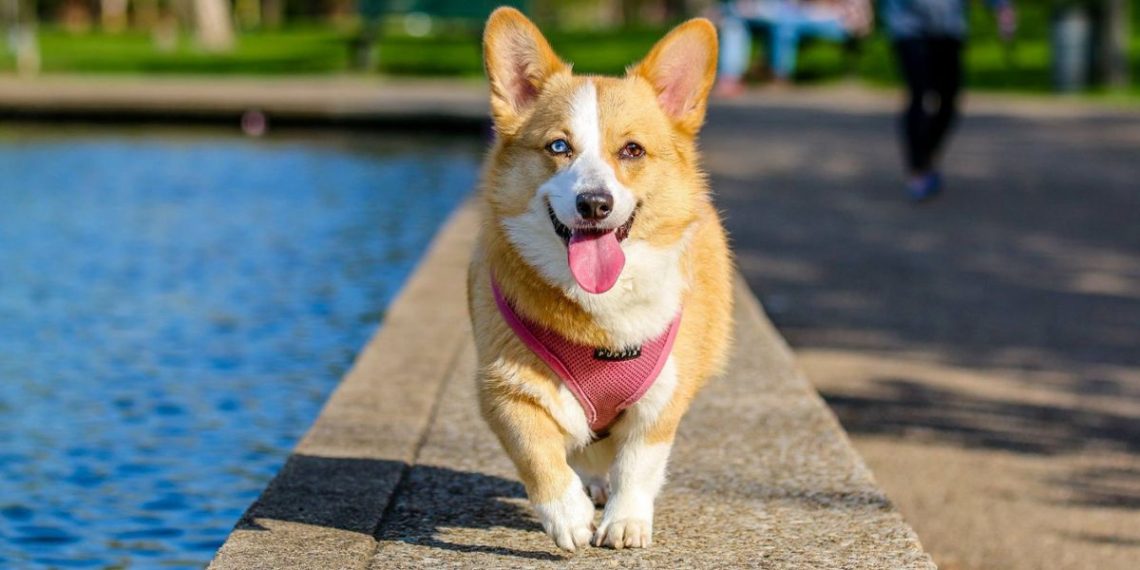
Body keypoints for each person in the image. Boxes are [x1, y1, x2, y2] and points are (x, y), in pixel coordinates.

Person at [884, 0, 1017, 201]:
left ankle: (927, 156)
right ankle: (918, 170)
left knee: (949, 100)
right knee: (918, 93)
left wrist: (1002, 8)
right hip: (908, 26)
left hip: (949, 27)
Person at [715, 0, 873, 94]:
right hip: (800, 14)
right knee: (734, 23)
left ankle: (778, 75)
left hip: (842, 20)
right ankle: (730, 78)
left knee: (784, 23)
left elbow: (823, 6)